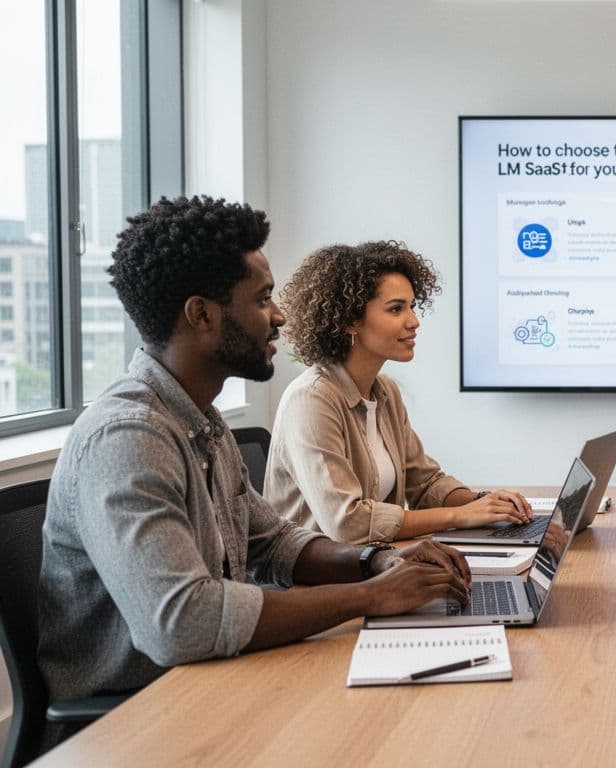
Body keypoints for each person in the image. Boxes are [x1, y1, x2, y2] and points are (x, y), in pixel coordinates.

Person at [38, 197, 471, 723]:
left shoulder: (201, 420)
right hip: (140, 716)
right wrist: (370, 597)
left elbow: (275, 541)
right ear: (201, 314)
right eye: (263, 299)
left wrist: (378, 561)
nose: (281, 316)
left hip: (215, 680)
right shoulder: (129, 437)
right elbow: (184, 622)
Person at [265, 241, 532, 544]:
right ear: (350, 320)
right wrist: (464, 515)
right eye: (396, 309)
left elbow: (427, 483)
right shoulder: (311, 399)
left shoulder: (385, 392)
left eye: (412, 306)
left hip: (375, 565)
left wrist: (485, 503)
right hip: (318, 580)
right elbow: (347, 523)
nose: (414, 321)